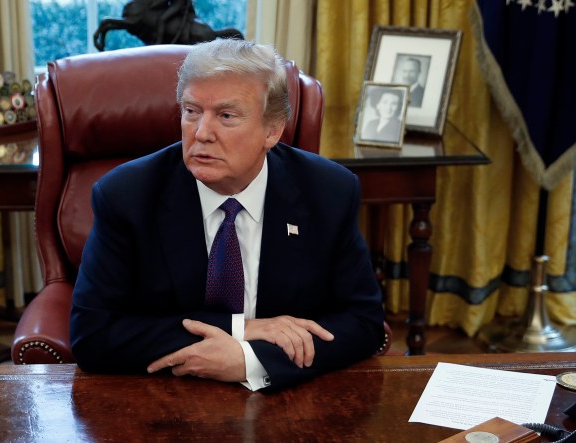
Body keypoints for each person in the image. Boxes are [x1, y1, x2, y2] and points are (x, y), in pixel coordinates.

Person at [70, 39, 385, 391]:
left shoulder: (328, 192)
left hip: (285, 400)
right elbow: (92, 335)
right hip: (163, 399)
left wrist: (251, 360)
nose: (202, 133)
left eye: (226, 116)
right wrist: (241, 329)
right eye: (191, 111)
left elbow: (364, 322)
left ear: (272, 130)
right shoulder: (127, 195)